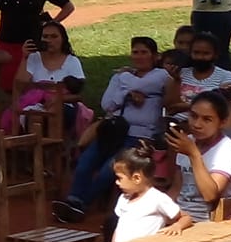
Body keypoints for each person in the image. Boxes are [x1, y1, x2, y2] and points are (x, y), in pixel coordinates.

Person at [54, 37, 168, 223]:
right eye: (135, 52)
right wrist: (126, 94)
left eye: (144, 52)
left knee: (111, 169)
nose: (138, 56)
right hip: (114, 132)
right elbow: (107, 104)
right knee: (85, 161)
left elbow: (146, 85)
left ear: (155, 56)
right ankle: (73, 200)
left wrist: (125, 82)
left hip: (140, 137)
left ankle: (80, 205)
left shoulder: (160, 76)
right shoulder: (121, 77)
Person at [166, 91, 231, 223]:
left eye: (207, 119)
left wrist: (193, 154)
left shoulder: (228, 151)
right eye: (193, 116)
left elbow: (210, 196)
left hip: (206, 222)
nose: (197, 124)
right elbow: (176, 188)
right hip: (179, 217)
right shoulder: (187, 142)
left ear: (222, 122)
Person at [108, 145, 187, 242]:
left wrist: (177, 226)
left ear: (137, 178)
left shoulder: (157, 198)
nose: (117, 182)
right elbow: (119, 228)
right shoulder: (124, 198)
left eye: (120, 178)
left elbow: (185, 217)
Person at [167, 31, 231, 107]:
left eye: (206, 53)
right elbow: (170, 106)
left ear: (215, 55)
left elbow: (227, 106)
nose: (200, 57)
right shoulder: (179, 73)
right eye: (196, 53)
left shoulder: (226, 76)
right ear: (190, 53)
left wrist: (185, 107)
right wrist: (176, 80)